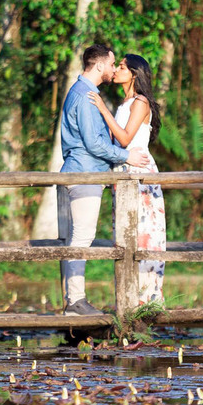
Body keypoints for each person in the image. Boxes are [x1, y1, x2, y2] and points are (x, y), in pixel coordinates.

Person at [59, 44, 151, 315]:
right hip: (85, 171)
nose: (113, 69)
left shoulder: (86, 93)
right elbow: (94, 143)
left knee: (79, 238)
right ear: (99, 66)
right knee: (81, 238)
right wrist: (125, 156)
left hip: (86, 171)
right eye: (112, 64)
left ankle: (75, 300)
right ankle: (75, 301)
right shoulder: (86, 95)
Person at [86, 53, 166, 305]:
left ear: (134, 73)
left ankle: (148, 300)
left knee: (144, 234)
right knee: (124, 234)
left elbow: (124, 139)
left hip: (139, 172)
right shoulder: (124, 104)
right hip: (122, 172)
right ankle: (129, 299)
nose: (117, 70)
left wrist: (101, 108)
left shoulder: (140, 102)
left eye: (121, 66)